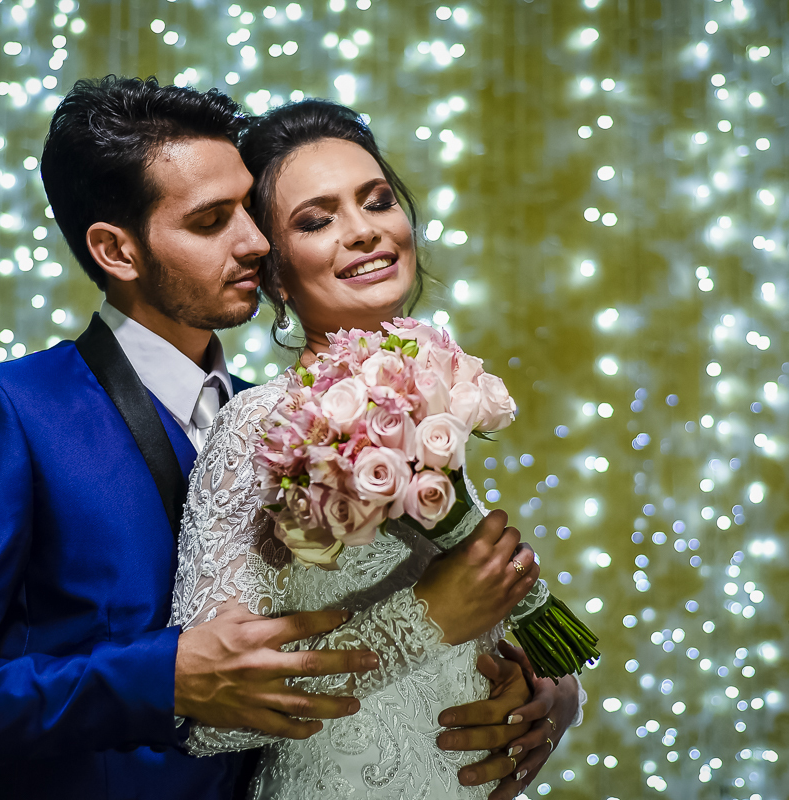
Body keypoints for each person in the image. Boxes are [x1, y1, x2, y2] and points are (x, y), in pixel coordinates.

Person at [0, 77, 540, 800]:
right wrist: (161, 676)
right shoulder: (11, 411)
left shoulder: (301, 418)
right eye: (213, 221)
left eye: (250, 209)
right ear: (117, 251)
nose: (255, 241)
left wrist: (539, 697)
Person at [167, 99, 587, 799]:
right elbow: (208, 721)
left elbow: (494, 602)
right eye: (317, 219)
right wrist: (426, 620)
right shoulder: (258, 428)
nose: (364, 233)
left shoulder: (434, 388)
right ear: (273, 274)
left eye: (378, 200)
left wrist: (557, 685)